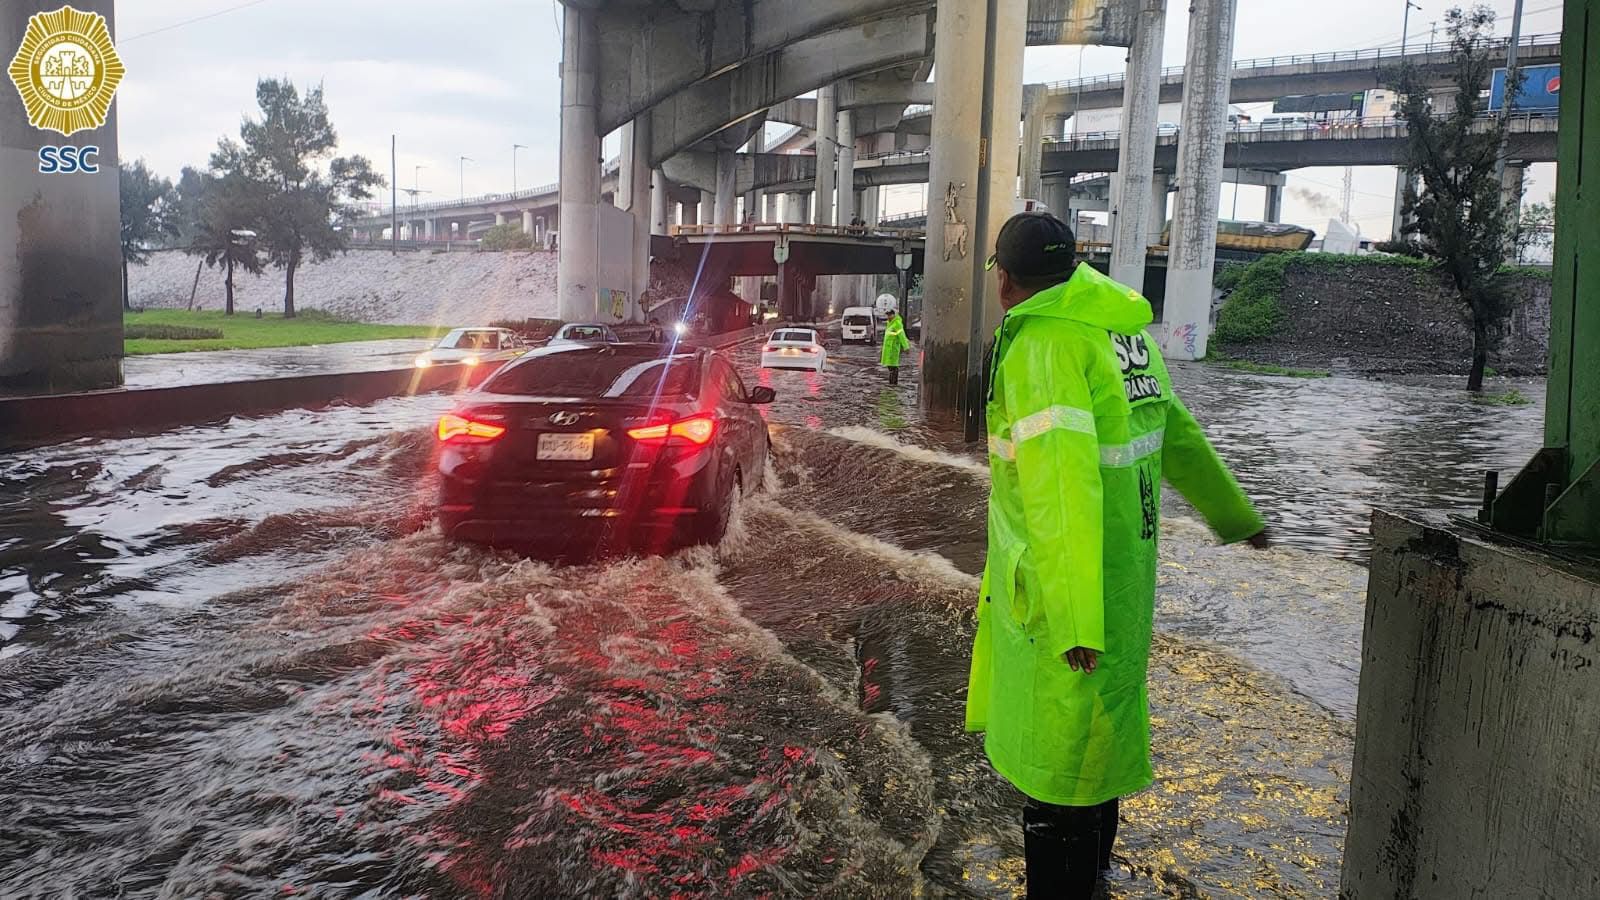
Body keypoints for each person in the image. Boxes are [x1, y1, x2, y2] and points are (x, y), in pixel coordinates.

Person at [965, 212, 1269, 898]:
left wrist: (1074, 620)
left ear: (1006, 281)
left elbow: (1061, 492)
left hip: (1063, 594)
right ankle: (1096, 881)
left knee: (1058, 768)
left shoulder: (1045, 346)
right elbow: (1176, 433)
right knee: (1096, 748)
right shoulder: (1120, 331)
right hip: (1123, 581)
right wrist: (1234, 514)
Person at [880, 309, 912, 385]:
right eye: (887, 315)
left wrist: (906, 347)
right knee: (890, 367)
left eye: (890, 315)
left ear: (894, 314)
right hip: (888, 349)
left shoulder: (897, 323)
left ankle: (893, 384)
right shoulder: (890, 323)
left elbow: (902, 336)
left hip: (893, 349)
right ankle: (892, 383)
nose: (888, 316)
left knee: (893, 367)